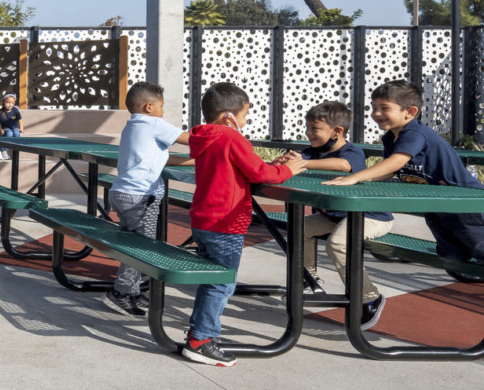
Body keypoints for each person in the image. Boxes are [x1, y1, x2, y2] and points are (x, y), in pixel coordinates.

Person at [181, 82, 303, 367]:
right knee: (221, 284)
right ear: (228, 117)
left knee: (212, 281)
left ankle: (199, 334)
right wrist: (288, 169)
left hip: (203, 219)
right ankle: (201, 340)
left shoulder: (203, 137)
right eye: (245, 116)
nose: (245, 122)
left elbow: (237, 166)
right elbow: (260, 173)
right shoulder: (232, 138)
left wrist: (273, 163)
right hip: (226, 223)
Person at [326, 79, 484, 266]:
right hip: (436, 204)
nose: (376, 113)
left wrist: (356, 176)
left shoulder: (414, 133)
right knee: (451, 256)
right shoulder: (390, 138)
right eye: (374, 107)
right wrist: (356, 181)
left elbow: (396, 162)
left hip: (463, 203)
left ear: (410, 112)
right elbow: (388, 171)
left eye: (384, 108)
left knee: (479, 248)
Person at [276, 101, 393, 328]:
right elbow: (302, 163)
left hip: (371, 217)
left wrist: (307, 163)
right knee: (300, 228)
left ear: (337, 131)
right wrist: (284, 162)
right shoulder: (312, 152)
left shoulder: (351, 151)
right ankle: (308, 278)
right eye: (307, 127)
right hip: (337, 217)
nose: (308, 133)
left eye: (314, 129)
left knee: (338, 244)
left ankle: (370, 298)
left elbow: (343, 165)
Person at [102, 81, 189, 317]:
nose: (163, 112)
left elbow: (162, 158)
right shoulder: (154, 123)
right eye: (162, 106)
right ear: (150, 107)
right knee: (141, 249)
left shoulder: (132, 127)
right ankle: (120, 292)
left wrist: (197, 160)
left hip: (122, 193)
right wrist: (220, 140)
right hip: (141, 197)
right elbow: (191, 139)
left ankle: (131, 290)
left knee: (135, 243)